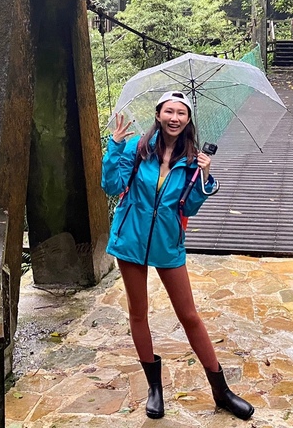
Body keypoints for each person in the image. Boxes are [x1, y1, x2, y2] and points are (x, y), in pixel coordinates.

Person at [102, 89, 254, 421]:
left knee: (189, 316)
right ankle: (155, 389)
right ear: (158, 115)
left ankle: (222, 391)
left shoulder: (192, 159)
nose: (175, 118)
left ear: (188, 120)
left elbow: (191, 207)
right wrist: (114, 146)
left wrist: (206, 175)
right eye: (169, 111)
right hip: (130, 239)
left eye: (181, 113)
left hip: (168, 243)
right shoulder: (137, 149)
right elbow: (111, 185)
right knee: (138, 313)